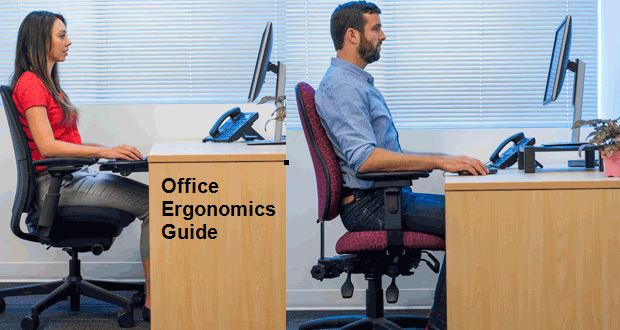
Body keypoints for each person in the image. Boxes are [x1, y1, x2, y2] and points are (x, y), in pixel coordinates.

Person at [314, 2, 489, 329]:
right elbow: (365, 159)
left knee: (474, 210)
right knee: (471, 221)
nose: (384, 36)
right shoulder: (341, 86)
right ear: (352, 35)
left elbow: (377, 153)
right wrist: (439, 161)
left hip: (383, 198)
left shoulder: (355, 81)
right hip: (370, 205)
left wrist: (443, 161)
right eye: (376, 28)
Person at [10, 11, 151, 321]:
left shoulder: (48, 85)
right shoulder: (31, 84)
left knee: (155, 200)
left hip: (72, 178)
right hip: (59, 186)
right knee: (155, 204)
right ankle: (156, 298)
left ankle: (160, 289)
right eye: (61, 35)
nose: (68, 41)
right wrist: (103, 153)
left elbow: (63, 142)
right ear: (39, 40)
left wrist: (103, 150)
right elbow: (47, 147)